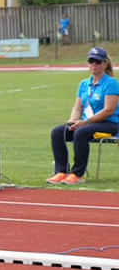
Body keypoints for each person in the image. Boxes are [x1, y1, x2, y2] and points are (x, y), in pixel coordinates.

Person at [47, 47, 119, 185]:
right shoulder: (84, 84)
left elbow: (108, 110)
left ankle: (77, 174)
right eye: (91, 61)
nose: (94, 64)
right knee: (58, 132)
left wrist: (85, 122)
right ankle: (61, 171)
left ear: (105, 64)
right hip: (86, 123)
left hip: (108, 124)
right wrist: (73, 121)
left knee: (81, 132)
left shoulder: (111, 83)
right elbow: (78, 107)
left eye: (97, 61)